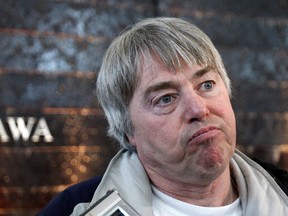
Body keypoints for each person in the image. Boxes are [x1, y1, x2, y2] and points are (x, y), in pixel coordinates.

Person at [38, 17, 288, 216]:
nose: (198, 109)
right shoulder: (76, 209)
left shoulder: (283, 190)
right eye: (166, 98)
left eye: (207, 84)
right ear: (128, 131)